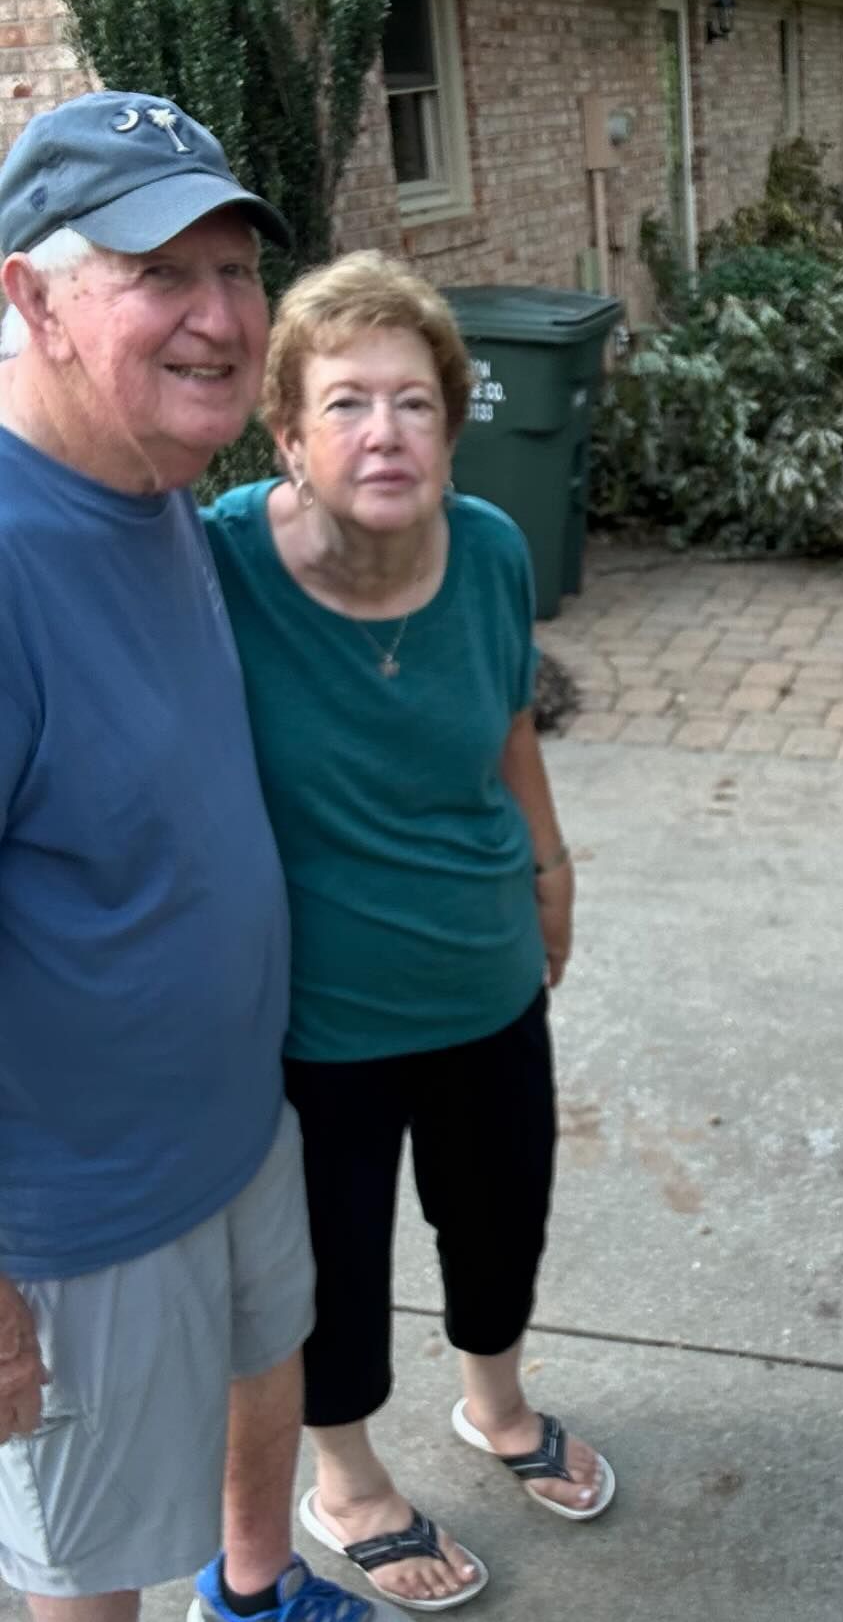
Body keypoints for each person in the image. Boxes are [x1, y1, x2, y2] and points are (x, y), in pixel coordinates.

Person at [0, 94, 405, 1622]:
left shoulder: (154, 485)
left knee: (262, 1369)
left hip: (235, 1129)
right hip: (78, 1220)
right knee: (94, 1576)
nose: (222, 317)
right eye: (159, 273)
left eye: (236, 270)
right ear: (33, 298)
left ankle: (255, 1589)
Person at [202, 250, 615, 1612]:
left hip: (485, 978)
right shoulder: (218, 567)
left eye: (415, 402)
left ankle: (497, 1404)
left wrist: (551, 872)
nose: (384, 433)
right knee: (329, 1268)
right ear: (287, 433)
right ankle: (345, 1480)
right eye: (346, 403)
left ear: (451, 422)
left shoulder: (489, 550)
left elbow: (508, 725)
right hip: (317, 1019)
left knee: (500, 1218)